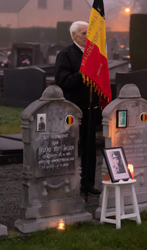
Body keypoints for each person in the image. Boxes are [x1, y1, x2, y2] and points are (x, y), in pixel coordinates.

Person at [55, 21, 101, 197]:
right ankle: (68, 183)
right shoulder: (65, 54)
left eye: (88, 33)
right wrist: (82, 74)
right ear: (74, 35)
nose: (87, 37)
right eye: (83, 33)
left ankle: (88, 183)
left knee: (90, 147)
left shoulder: (94, 54)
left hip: (91, 107)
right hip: (73, 109)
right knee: (72, 147)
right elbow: (63, 81)